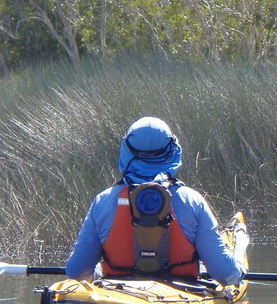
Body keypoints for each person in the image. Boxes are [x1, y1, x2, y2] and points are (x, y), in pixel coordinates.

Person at [65, 116, 246, 284]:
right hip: (181, 295)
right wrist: (240, 253)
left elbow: (76, 271)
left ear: (126, 150)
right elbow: (227, 274)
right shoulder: (192, 201)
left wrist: (98, 271)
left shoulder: (103, 201)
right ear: (173, 150)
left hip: (119, 292)